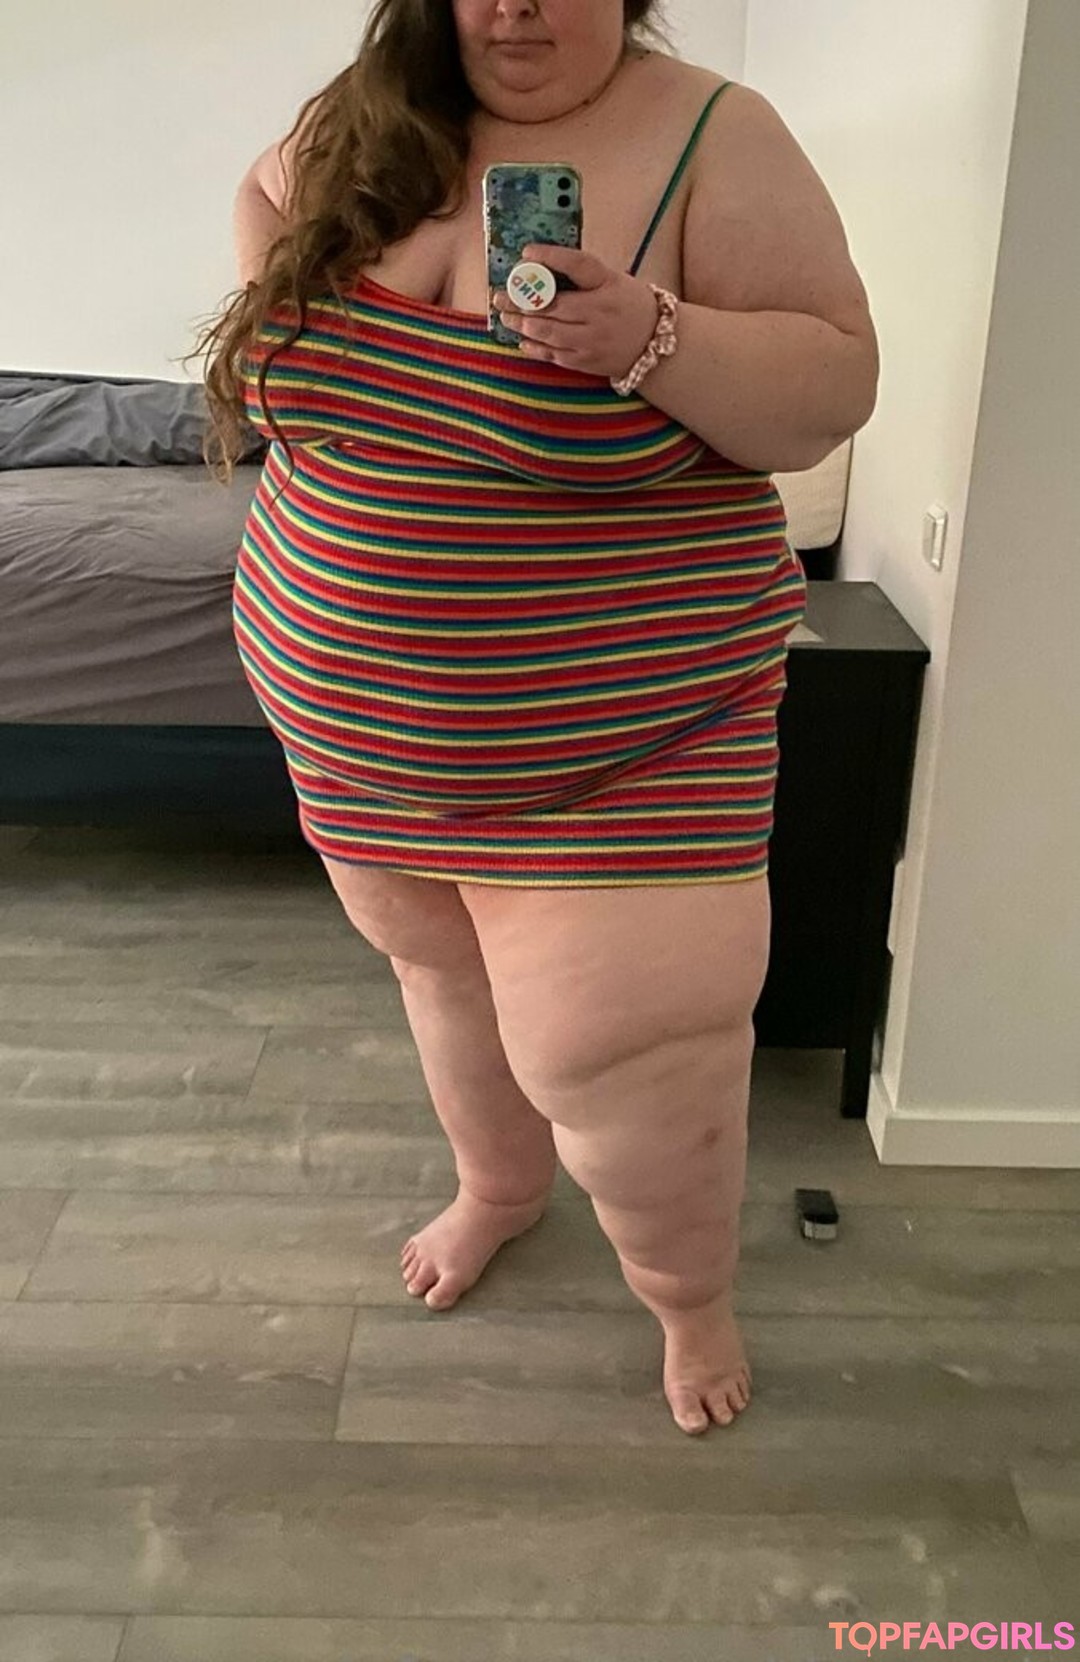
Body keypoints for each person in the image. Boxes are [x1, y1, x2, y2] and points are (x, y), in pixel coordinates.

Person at [195, 0, 878, 1436]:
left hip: (626, 745)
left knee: (625, 1069)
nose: (514, 3)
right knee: (443, 986)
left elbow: (831, 389)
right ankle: (499, 1189)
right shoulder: (369, 115)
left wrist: (652, 336)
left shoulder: (715, 134)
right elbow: (264, 234)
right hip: (358, 739)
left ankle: (688, 1299)